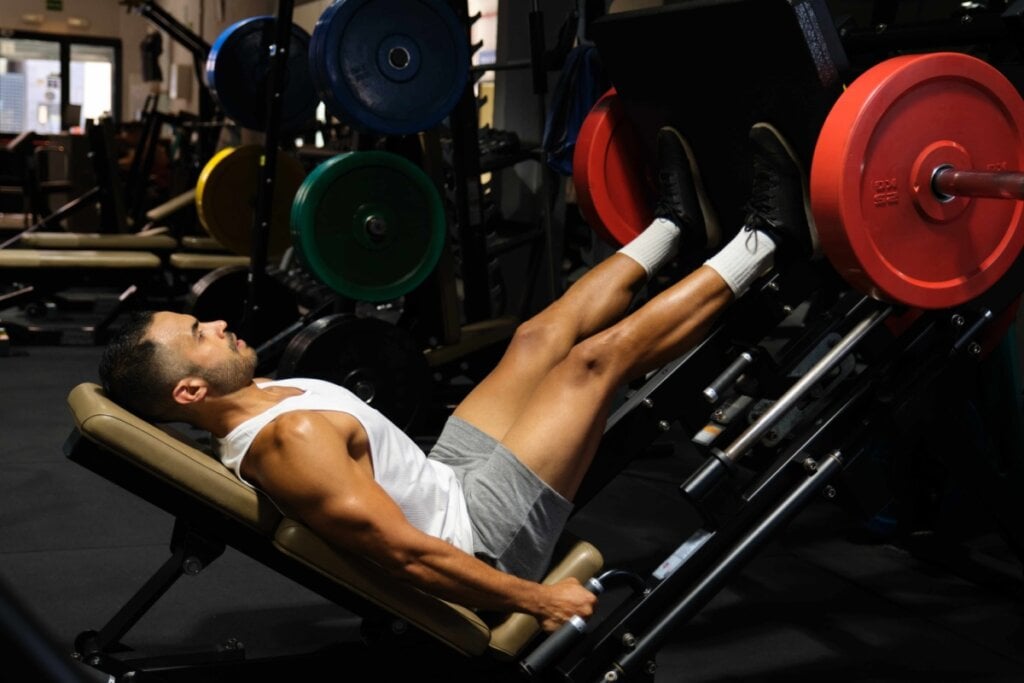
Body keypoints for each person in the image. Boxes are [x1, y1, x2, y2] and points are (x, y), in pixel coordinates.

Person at [98, 121, 816, 633]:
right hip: (482, 536)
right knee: (594, 363)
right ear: (190, 393)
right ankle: (767, 242)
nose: (218, 323)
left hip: (449, 476)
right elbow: (407, 558)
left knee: (537, 334)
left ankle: (673, 229)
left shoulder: (267, 397)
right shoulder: (289, 443)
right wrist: (534, 598)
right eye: (199, 335)